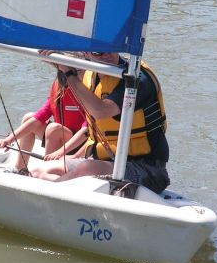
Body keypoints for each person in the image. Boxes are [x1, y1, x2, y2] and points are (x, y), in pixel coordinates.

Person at [31, 51, 170, 193]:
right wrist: (55, 54)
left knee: (86, 168)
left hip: (147, 169)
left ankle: (50, 195)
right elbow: (71, 60)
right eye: (98, 52)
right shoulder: (90, 73)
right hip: (104, 162)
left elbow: (101, 111)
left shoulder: (137, 78)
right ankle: (56, 193)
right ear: (88, 53)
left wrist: (68, 75)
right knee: (39, 170)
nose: (106, 55)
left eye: (111, 49)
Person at [0, 76, 88, 173]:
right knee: (29, 117)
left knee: (53, 128)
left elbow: (88, 129)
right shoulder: (57, 86)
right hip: (61, 138)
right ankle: (20, 169)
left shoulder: (85, 88)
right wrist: (9, 139)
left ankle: (46, 171)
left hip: (79, 144)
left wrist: (71, 154)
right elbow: (39, 117)